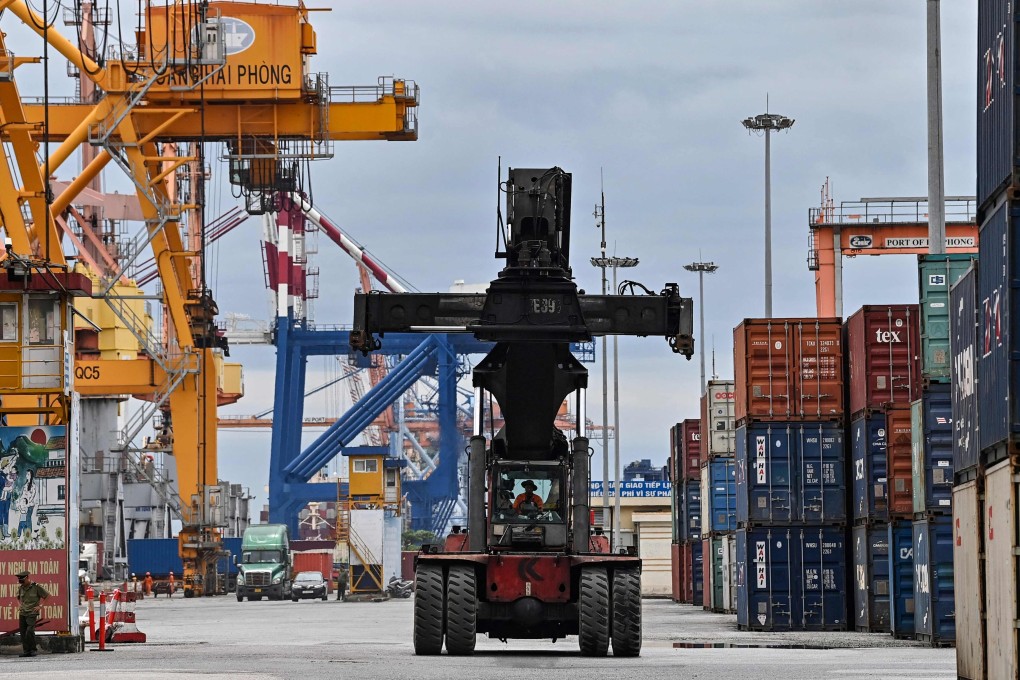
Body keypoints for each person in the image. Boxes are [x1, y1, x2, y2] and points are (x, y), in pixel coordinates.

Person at [15, 569, 48, 657]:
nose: (21, 582)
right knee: (23, 632)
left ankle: (33, 650)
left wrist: (40, 606)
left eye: (23, 580)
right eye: (20, 581)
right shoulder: (21, 587)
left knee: (29, 631)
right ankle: (26, 651)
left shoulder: (36, 587)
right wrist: (19, 605)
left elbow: (47, 596)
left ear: (28, 578)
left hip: (32, 612)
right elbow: (17, 597)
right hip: (23, 612)